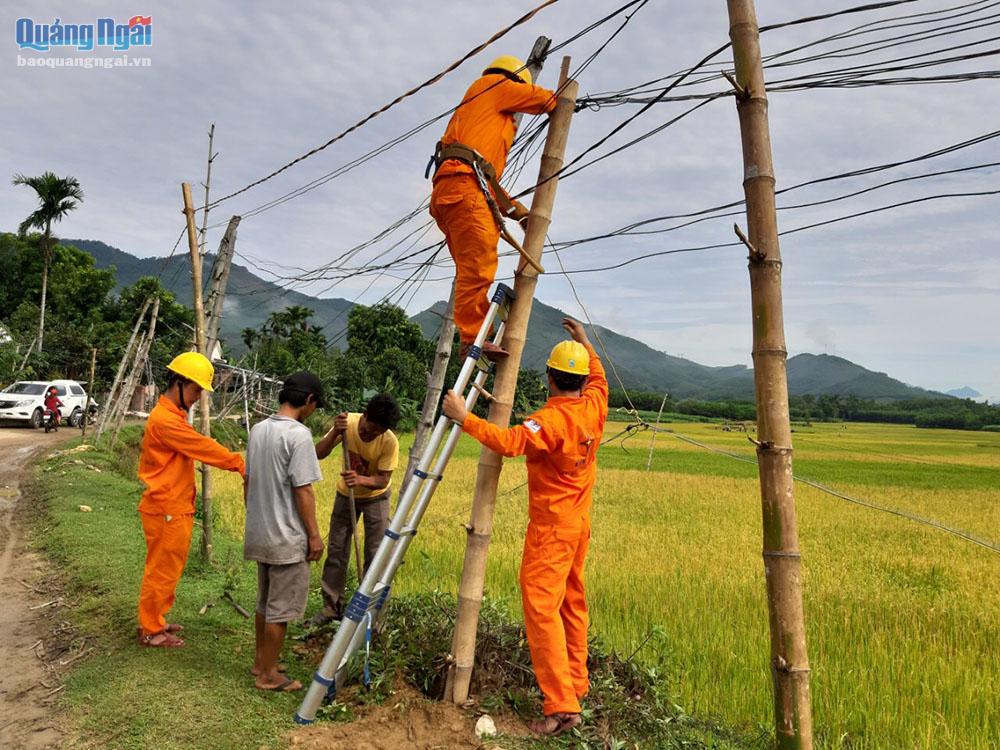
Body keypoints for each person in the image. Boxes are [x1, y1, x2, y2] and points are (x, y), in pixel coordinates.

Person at [442, 318, 608, 736]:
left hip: (551, 532)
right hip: (578, 526)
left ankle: (562, 705)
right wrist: (586, 342)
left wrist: (464, 416)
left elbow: (511, 442)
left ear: (550, 377)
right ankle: (577, 684)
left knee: (540, 608)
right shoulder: (594, 405)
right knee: (571, 604)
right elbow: (599, 376)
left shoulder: (550, 422)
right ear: (581, 380)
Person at [428, 55, 557, 360]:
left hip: (454, 191)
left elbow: (483, 178)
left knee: (472, 267)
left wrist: (516, 212)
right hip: (462, 190)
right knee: (479, 264)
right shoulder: (495, 85)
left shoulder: (477, 115)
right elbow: (546, 101)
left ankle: (474, 336)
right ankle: (473, 338)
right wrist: (565, 101)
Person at [136, 352, 245, 648]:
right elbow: (202, 447)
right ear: (179, 383)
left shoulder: (173, 416)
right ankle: (151, 629)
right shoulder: (166, 421)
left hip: (173, 507)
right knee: (161, 570)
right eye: (197, 389)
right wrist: (239, 463)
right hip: (166, 507)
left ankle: (155, 620)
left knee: (167, 568)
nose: (199, 397)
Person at [243, 371, 326, 692]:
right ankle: (269, 676)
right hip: (287, 538)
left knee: (265, 603)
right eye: (316, 405)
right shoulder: (299, 435)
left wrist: (257, 517)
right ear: (308, 401)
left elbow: (248, 480)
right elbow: (303, 490)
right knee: (280, 609)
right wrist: (314, 536)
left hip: (260, 532)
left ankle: (261, 662)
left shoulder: (258, 430)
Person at [310, 394, 401, 625]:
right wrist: (334, 432)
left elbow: (382, 480)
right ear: (365, 415)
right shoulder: (346, 423)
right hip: (345, 494)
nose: (373, 435)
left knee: (376, 553)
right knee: (337, 549)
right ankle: (332, 608)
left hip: (376, 498)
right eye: (371, 430)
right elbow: (318, 453)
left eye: (379, 432)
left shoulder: (389, 441)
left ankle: (370, 612)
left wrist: (360, 479)